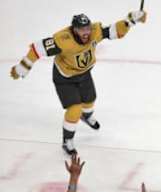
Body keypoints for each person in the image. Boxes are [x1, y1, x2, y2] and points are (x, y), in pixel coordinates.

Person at [10, 10, 147, 155]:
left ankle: (86, 116)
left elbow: (114, 31)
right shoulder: (62, 40)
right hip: (65, 79)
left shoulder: (94, 31)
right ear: (74, 30)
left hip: (84, 74)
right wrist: (23, 67)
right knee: (74, 109)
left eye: (87, 28)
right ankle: (67, 141)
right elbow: (37, 49)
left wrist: (131, 21)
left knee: (90, 100)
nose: (86, 32)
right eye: (82, 30)